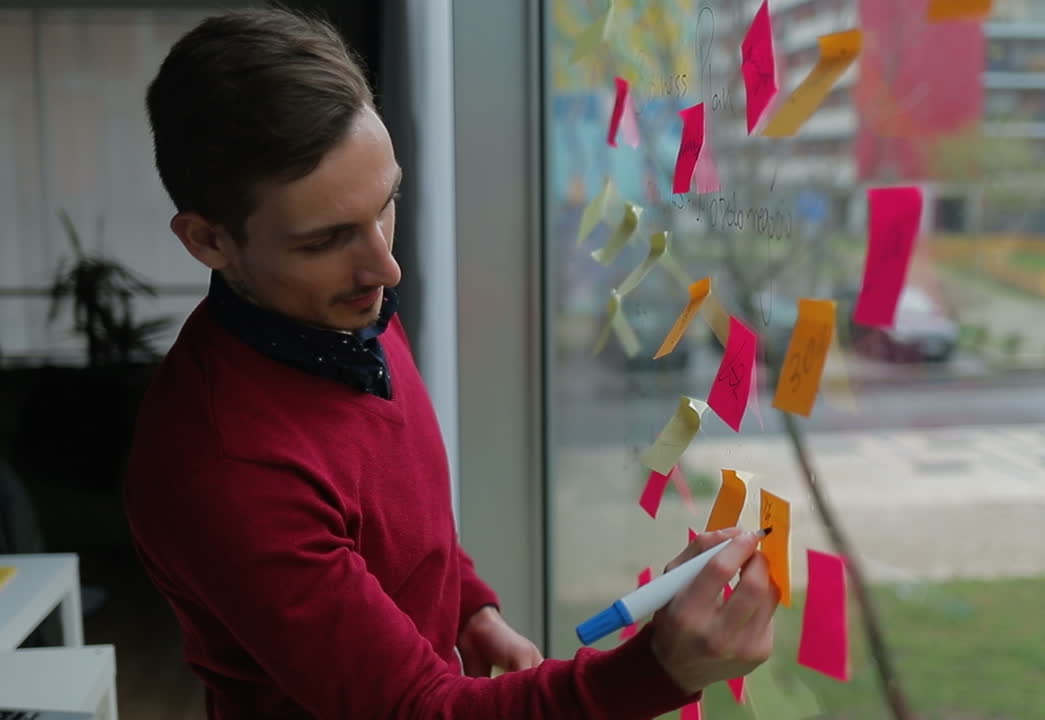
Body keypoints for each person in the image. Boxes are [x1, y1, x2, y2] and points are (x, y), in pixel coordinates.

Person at [124, 8, 779, 719]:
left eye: (386, 205)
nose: (386, 266)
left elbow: (391, 517)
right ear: (208, 241)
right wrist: (657, 670)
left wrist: (467, 606)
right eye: (326, 239)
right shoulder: (225, 467)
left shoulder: (333, 313)